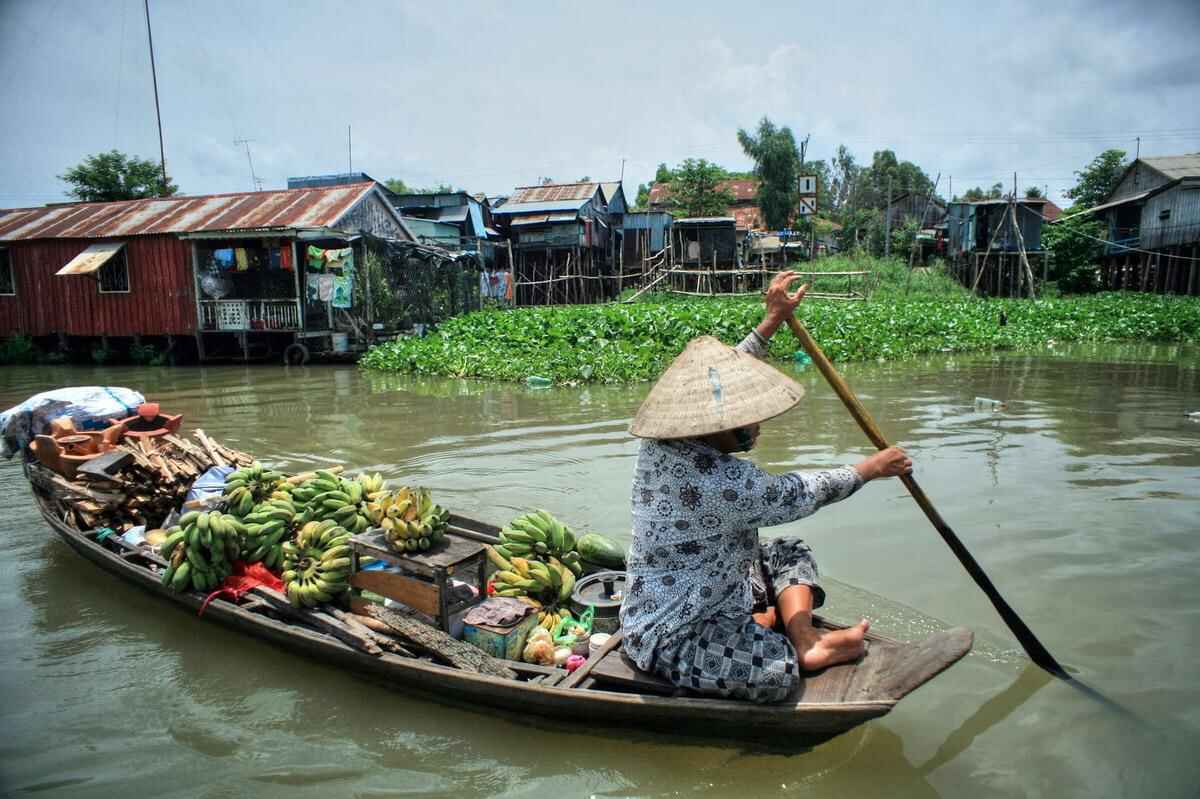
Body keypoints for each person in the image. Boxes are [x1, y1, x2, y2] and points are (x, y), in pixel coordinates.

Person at [619, 271, 913, 703]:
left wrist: (771, 321)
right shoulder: (721, 481)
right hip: (673, 628)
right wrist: (868, 469)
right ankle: (790, 646)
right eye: (747, 417)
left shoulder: (662, 441)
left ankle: (805, 638)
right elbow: (797, 494)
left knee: (788, 550)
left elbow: (718, 380)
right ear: (714, 424)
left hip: (720, 582)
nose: (757, 424)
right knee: (777, 673)